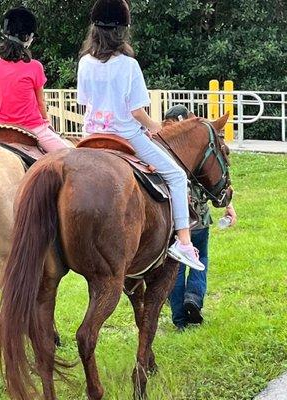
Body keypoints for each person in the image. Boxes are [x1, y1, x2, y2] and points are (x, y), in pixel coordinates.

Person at [77, 0, 204, 271]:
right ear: (122, 31)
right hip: (125, 135)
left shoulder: (85, 63)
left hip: (90, 137)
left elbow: (84, 101)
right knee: (177, 176)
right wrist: (155, 126)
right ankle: (183, 241)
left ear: (94, 30)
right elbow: (136, 112)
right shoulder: (128, 65)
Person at [166, 105, 237, 330]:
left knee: (175, 267)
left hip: (173, 222)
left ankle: (179, 319)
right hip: (199, 219)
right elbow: (213, 175)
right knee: (200, 258)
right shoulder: (196, 147)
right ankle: (194, 298)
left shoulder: (164, 149)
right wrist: (229, 206)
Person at [0, 6, 69, 152]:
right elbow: (40, 102)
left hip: (0, 128)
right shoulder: (34, 66)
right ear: (26, 38)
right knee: (71, 157)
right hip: (32, 128)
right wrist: (47, 123)